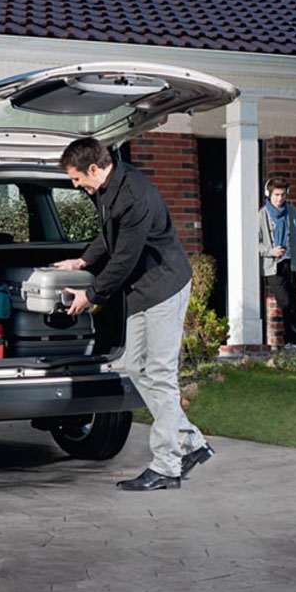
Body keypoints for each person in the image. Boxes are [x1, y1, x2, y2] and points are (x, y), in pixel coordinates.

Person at [54, 138, 213, 491]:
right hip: (141, 290)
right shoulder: (107, 188)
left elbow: (124, 257)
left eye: (77, 178)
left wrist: (91, 295)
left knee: (159, 373)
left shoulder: (134, 195)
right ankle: (192, 442)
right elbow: (109, 235)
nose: (75, 185)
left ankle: (167, 466)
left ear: (93, 169)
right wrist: (83, 260)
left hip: (164, 286)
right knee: (131, 366)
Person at [258, 177, 296, 351]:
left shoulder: (292, 212)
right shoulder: (262, 214)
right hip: (273, 266)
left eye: (283, 194)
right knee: (286, 303)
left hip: (291, 264)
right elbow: (255, 242)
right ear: (269, 194)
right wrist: (271, 251)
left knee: (293, 304)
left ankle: (291, 343)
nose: (279, 198)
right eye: (276, 194)